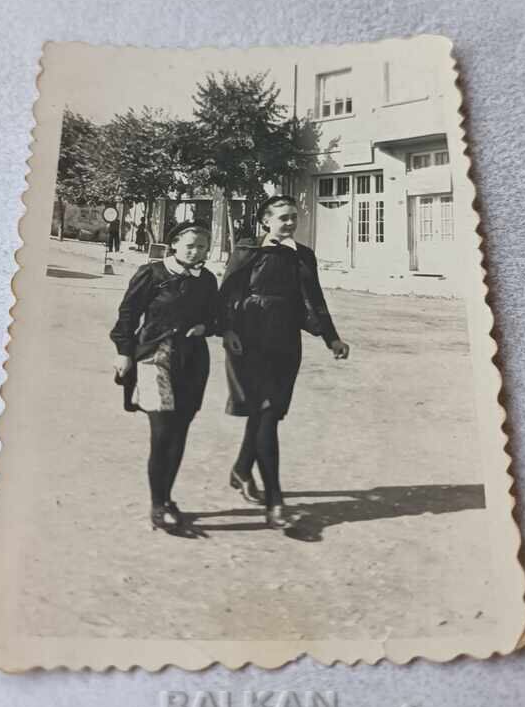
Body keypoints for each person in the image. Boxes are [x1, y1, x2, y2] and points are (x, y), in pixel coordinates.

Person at [218, 194, 349, 529]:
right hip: (249, 342)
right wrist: (227, 330)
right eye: (283, 218)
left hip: (286, 343)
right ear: (266, 221)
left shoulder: (302, 256)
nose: (290, 223)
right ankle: (275, 502)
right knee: (264, 414)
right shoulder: (249, 251)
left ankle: (242, 470)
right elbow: (226, 295)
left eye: (293, 217)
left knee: (270, 413)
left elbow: (315, 299)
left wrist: (331, 337)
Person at [111, 222, 218, 532]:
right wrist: (123, 352)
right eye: (190, 246)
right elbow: (127, 315)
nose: (196, 252)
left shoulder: (207, 280)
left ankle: (167, 498)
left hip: (192, 362)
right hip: (154, 358)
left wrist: (204, 327)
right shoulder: (152, 274)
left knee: (180, 430)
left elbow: (216, 316)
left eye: (201, 247)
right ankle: (158, 504)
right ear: (174, 245)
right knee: (162, 431)